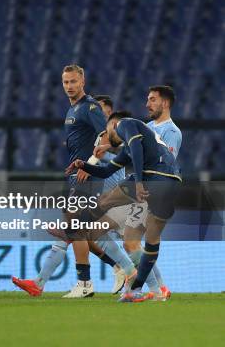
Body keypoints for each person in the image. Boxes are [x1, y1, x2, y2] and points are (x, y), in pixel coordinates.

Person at [11, 93, 128, 296]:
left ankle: (108, 276)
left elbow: (113, 155)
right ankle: (44, 282)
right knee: (80, 235)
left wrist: (89, 162)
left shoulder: (118, 139)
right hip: (99, 197)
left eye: (103, 113)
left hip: (114, 200)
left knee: (75, 232)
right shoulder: (93, 141)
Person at [66, 112, 182, 302]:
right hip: (172, 183)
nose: (106, 131)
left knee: (106, 201)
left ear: (113, 123)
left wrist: (137, 181)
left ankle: (72, 229)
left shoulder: (123, 123)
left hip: (152, 177)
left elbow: (135, 146)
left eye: (107, 128)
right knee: (140, 241)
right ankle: (147, 291)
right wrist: (83, 165)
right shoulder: (130, 147)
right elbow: (105, 171)